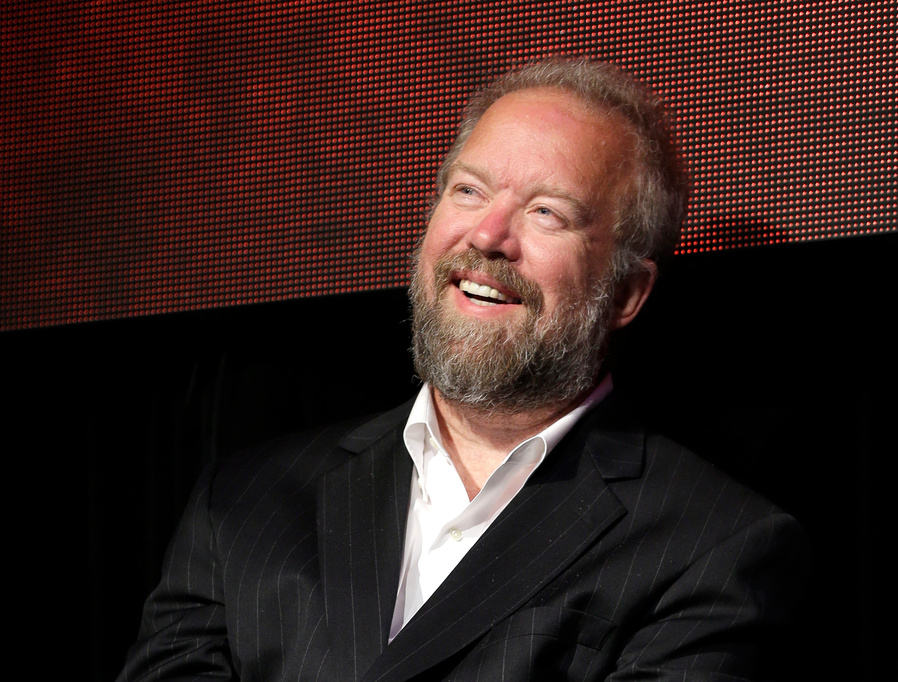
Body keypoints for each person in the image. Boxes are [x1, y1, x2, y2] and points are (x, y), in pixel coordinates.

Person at [119, 58, 808, 682]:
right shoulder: (242, 506)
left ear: (626, 293)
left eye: (545, 212)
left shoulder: (712, 545)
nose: (486, 236)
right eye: (469, 191)